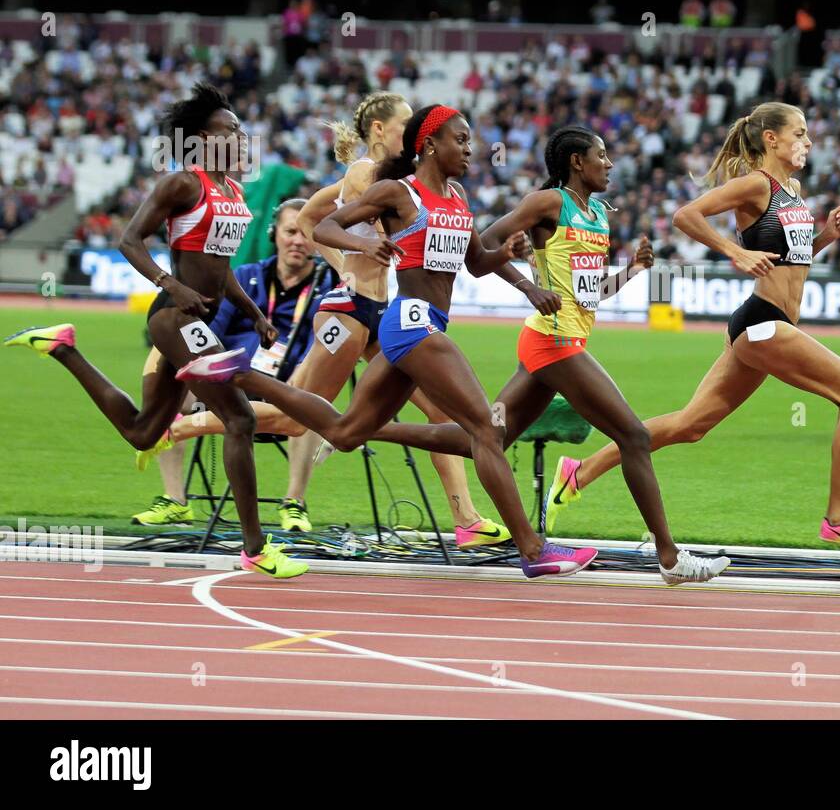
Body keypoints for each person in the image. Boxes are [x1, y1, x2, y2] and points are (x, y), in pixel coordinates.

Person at [175, 104, 598, 579]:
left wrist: (520, 273)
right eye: (460, 140)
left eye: (470, 141)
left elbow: (478, 262)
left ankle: (238, 372)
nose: (469, 149)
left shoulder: (457, 196)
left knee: (344, 432)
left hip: (419, 327)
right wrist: (363, 245)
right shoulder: (399, 192)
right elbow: (324, 225)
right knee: (485, 427)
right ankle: (533, 549)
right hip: (412, 323)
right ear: (430, 145)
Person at [379, 125, 730, 585]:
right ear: (576, 163)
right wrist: (524, 270)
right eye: (600, 155)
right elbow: (482, 245)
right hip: (551, 342)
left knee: (488, 438)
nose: (608, 164)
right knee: (634, 436)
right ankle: (670, 558)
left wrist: (632, 271)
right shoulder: (548, 203)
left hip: (562, 340)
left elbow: (590, 296)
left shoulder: (600, 214)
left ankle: (377, 428)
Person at [545, 103, 840, 553]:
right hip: (763, 325)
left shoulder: (793, 189)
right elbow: (686, 215)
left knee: (690, 426)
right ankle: (839, 518)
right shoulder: (755, 184)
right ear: (771, 139)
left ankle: (579, 472)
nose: (808, 143)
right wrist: (735, 251)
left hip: (766, 325)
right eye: (800, 134)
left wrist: (825, 237)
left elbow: (791, 262)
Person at [5, 82, 306, 578]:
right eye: (230, 128)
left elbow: (220, 266)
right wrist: (171, 284)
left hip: (199, 318)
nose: (241, 135)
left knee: (144, 433)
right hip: (174, 317)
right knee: (240, 419)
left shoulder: (231, 189)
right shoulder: (182, 184)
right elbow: (129, 239)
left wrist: (253, 312)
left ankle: (62, 348)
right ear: (204, 138)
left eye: (240, 128)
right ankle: (254, 547)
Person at [131, 198, 338, 530]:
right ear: (275, 234)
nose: (298, 241)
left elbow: (323, 347)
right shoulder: (246, 276)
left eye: (306, 233)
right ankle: (175, 500)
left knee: (309, 399)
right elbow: (210, 329)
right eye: (290, 231)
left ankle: (294, 503)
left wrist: (299, 379)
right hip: (230, 382)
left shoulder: (329, 287)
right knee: (172, 381)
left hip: (288, 389)